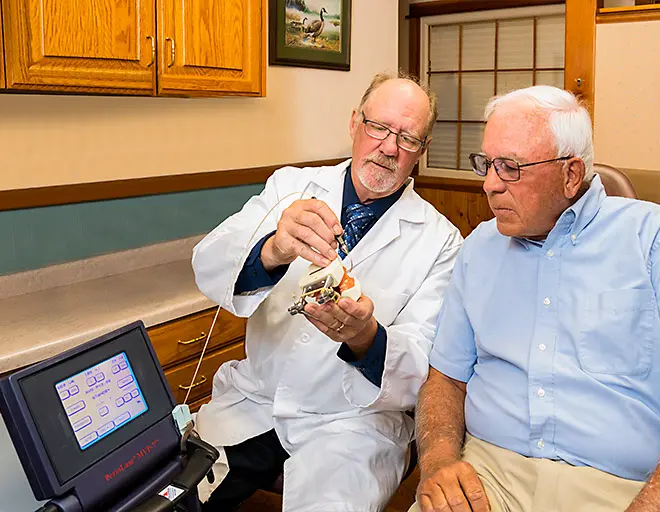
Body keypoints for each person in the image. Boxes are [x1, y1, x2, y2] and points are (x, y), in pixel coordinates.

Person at [411, 86, 660, 512]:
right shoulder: (479, 247)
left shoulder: (658, 242)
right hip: (488, 475)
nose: (490, 185)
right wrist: (439, 462)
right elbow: (445, 377)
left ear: (571, 175)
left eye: (510, 167)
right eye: (487, 164)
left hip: (620, 489)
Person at [191, 72, 463, 512]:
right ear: (355, 123)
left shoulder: (441, 241)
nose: (389, 147)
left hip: (351, 424)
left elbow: (424, 363)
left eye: (407, 138)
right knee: (168, 494)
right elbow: (208, 263)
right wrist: (273, 249)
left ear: (421, 152)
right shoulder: (290, 188)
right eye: (379, 127)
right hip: (257, 399)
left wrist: (365, 339)